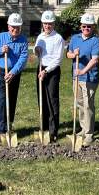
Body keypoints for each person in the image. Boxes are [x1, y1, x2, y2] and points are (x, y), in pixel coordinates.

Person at [0, 13, 29, 141]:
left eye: (18, 27)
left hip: (14, 73)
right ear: (8, 26)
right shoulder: (0, 37)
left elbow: (23, 58)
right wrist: (0, 50)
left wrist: (13, 72)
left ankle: (8, 125)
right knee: (1, 99)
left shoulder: (23, 40)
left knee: (12, 98)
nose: (15, 29)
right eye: (13, 27)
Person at [66, 13, 99, 147]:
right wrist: (73, 54)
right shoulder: (75, 38)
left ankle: (89, 134)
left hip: (90, 78)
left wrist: (83, 71)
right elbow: (68, 54)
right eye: (84, 26)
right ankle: (83, 128)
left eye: (89, 26)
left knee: (88, 105)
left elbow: (95, 59)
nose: (86, 28)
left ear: (93, 27)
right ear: (81, 26)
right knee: (80, 104)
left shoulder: (95, 40)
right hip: (76, 77)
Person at [34, 10, 64, 142]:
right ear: (42, 24)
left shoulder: (58, 38)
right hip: (40, 67)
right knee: (42, 98)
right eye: (45, 24)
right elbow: (36, 51)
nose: (47, 26)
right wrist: (36, 50)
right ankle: (44, 127)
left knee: (52, 100)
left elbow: (58, 60)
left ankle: (53, 131)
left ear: (53, 24)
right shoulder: (40, 37)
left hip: (52, 71)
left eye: (50, 24)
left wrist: (46, 71)